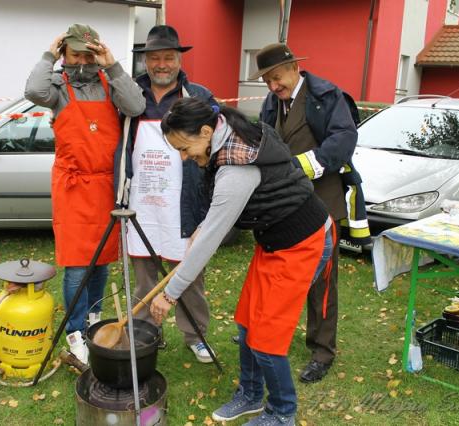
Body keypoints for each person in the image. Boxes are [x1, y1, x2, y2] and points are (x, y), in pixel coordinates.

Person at [149, 97, 334, 425]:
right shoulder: (226, 134)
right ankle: (250, 394)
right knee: (248, 323)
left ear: (206, 131)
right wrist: (203, 229)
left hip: (304, 242)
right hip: (275, 240)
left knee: (267, 338)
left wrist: (169, 295)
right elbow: (216, 219)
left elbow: (211, 241)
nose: (183, 157)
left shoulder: (238, 167)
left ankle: (281, 412)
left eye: (183, 147)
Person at [24, 24, 145, 364]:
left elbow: (136, 105)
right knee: (78, 264)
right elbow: (32, 90)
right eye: (76, 53)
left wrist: (113, 65)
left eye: (88, 54)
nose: (83, 61)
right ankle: (75, 331)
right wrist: (48, 55)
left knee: (103, 258)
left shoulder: (109, 83)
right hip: (74, 186)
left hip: (106, 185)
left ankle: (95, 318)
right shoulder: (57, 88)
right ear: (64, 54)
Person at [252, 42, 364, 383]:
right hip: (285, 205)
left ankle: (322, 350)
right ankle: (272, 335)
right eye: (267, 81)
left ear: (293, 68)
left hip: (322, 201)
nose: (273, 86)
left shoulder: (329, 96)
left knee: (322, 282)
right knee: (280, 274)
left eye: (276, 77)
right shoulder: (272, 103)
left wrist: (305, 165)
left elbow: (345, 138)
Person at [115, 25, 215, 363]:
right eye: (154, 58)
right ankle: (146, 333)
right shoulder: (130, 96)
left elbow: (213, 144)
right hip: (142, 202)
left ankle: (195, 334)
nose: (161, 64)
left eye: (168, 57)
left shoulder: (198, 95)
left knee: (189, 275)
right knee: (144, 277)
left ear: (178, 59)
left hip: (184, 200)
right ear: (145, 60)